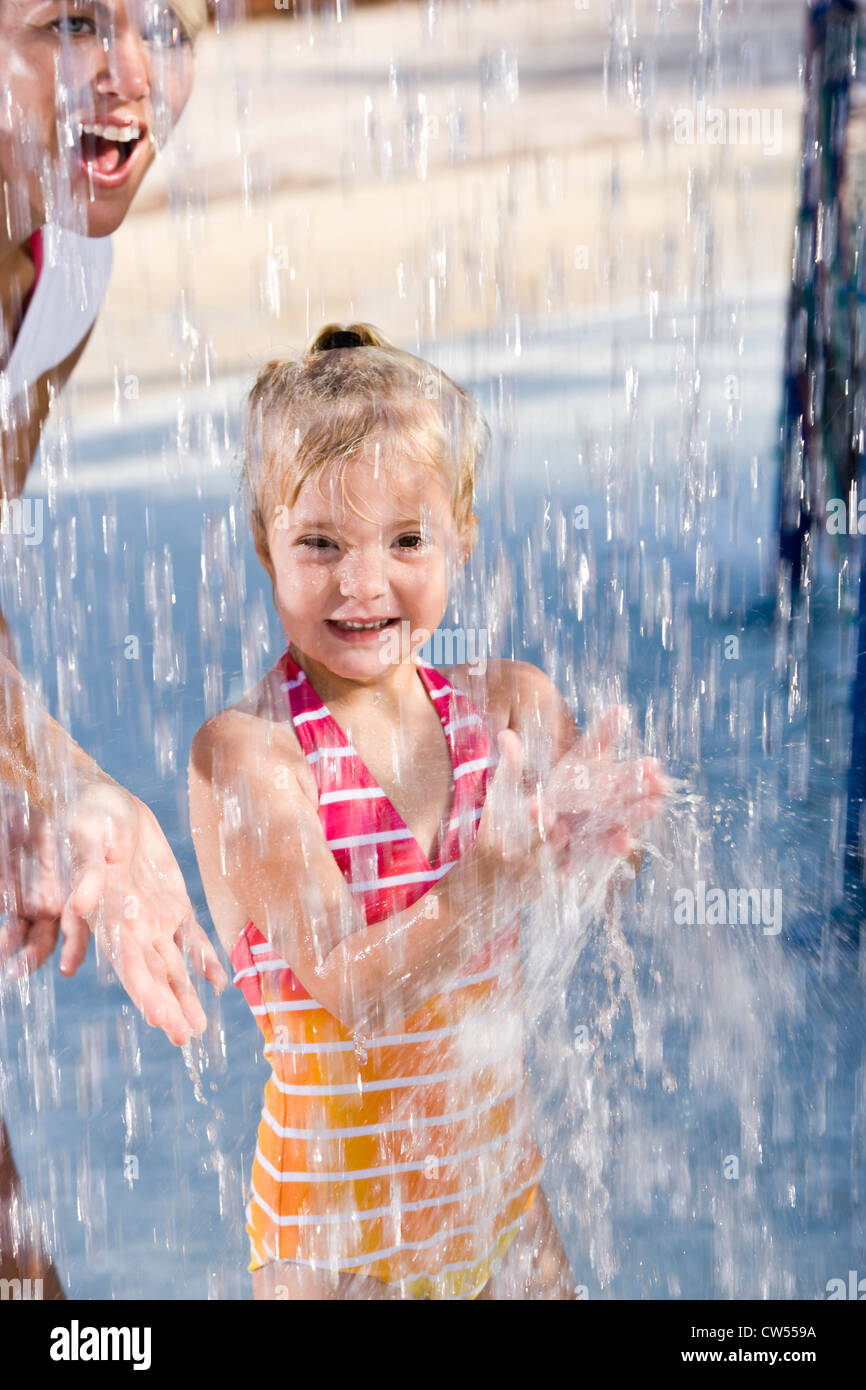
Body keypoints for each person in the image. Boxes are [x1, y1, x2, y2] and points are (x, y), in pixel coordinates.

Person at [188, 323, 667, 1300]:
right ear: (260, 539)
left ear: (461, 532)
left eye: (405, 540)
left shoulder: (511, 710)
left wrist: (609, 846)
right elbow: (353, 990)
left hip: (502, 1215)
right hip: (337, 1254)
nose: (363, 582)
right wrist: (490, 881)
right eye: (319, 542)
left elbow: (605, 891)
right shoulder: (249, 756)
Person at [0, 0, 227, 1298]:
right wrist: (69, 787)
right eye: (71, 22)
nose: (129, 77)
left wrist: (25, 779)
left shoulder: (65, 263)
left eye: (166, 23)